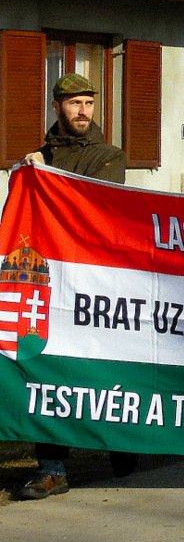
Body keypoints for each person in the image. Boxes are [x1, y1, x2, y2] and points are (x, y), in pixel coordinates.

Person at [16, 73, 130, 500]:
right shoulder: (40, 157)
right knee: (47, 371)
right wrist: (26, 176)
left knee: (104, 368)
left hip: (97, 279)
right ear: (57, 107)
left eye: (89, 103)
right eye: (74, 104)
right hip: (50, 282)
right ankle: (52, 468)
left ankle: (121, 443)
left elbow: (94, 203)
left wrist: (47, 179)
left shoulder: (109, 155)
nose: (83, 111)